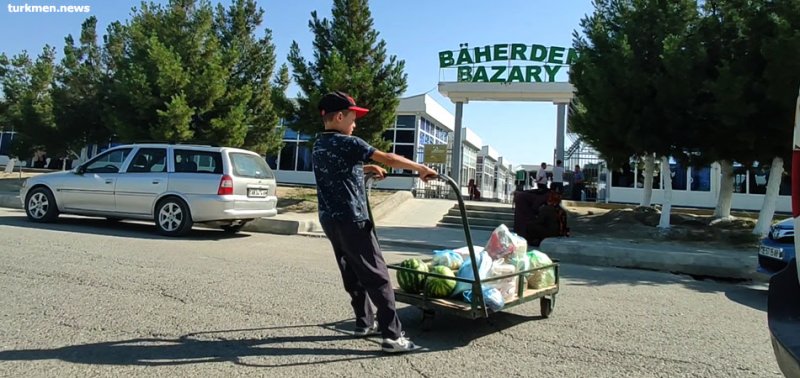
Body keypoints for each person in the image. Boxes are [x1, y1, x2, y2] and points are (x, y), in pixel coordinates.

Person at [312, 91, 436, 354]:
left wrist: (366, 169)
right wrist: (420, 169)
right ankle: (392, 337)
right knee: (378, 276)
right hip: (353, 219)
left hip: (330, 220)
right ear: (340, 116)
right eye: (353, 118)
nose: (355, 124)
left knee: (351, 271)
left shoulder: (320, 144)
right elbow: (389, 158)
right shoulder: (350, 143)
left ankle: (363, 322)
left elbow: (339, 171)